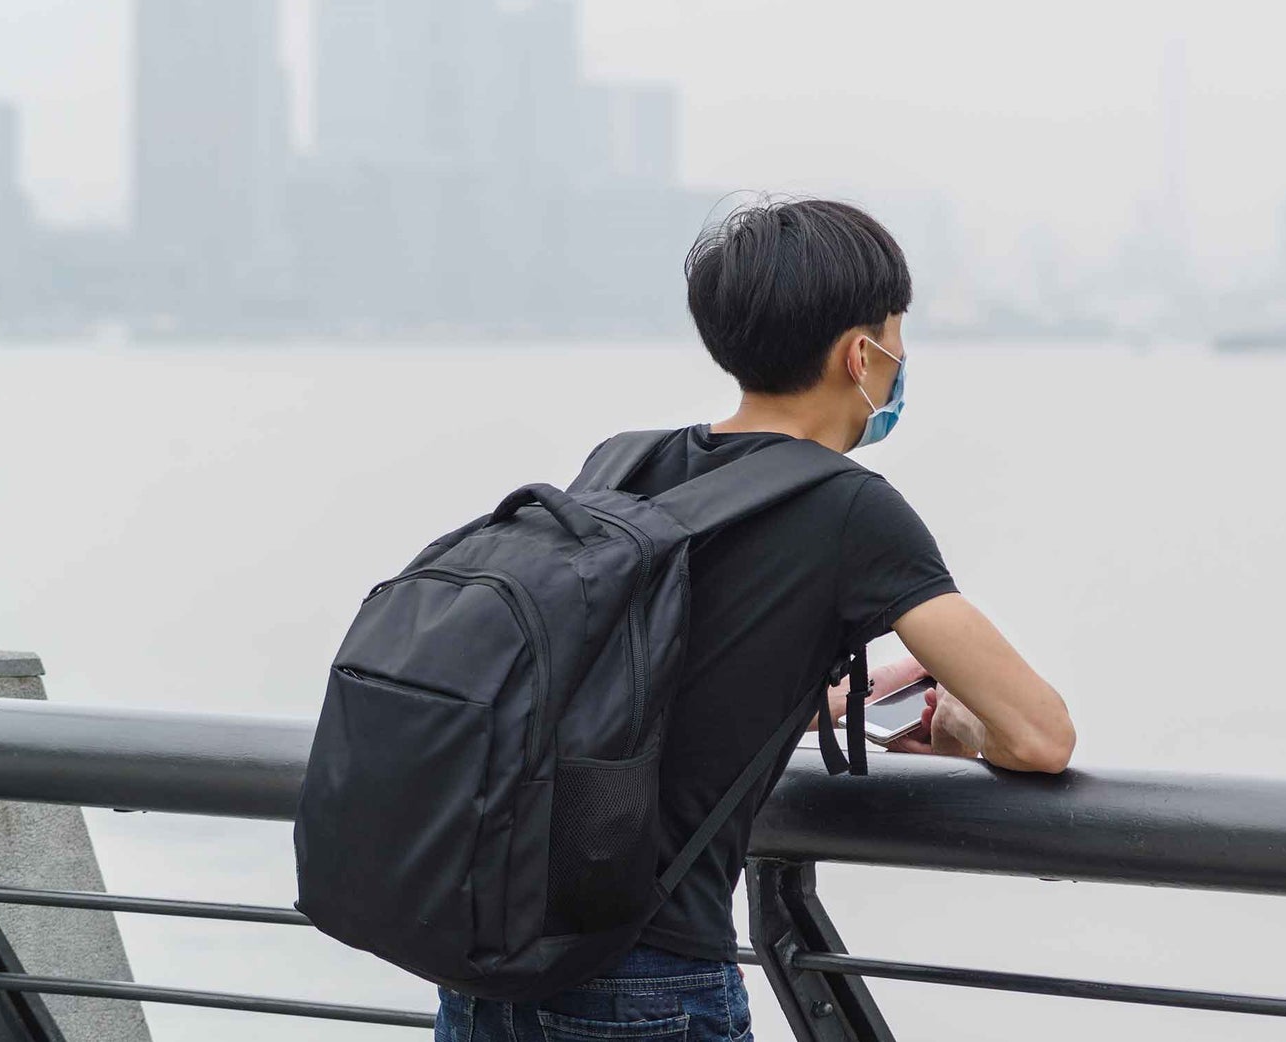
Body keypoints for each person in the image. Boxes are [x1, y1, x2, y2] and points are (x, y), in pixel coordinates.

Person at [434, 197, 1075, 1042]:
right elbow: (1040, 735)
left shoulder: (624, 461)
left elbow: (633, 687)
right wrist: (965, 727)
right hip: (646, 983)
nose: (901, 363)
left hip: (493, 971)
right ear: (861, 355)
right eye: (898, 342)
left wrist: (826, 702)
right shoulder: (851, 508)